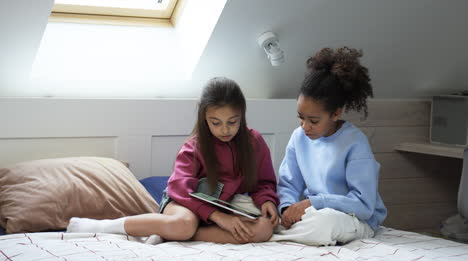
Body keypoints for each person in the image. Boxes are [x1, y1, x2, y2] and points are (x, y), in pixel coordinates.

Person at [67, 77, 279, 244]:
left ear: (242, 116)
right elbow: (180, 188)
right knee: (183, 225)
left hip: (224, 206)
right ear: (204, 119)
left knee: (264, 229)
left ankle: (172, 233)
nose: (225, 130)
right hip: (185, 202)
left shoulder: (254, 142)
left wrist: (267, 201)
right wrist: (218, 217)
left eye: (232, 122)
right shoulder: (194, 146)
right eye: (216, 123)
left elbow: (264, 182)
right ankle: (104, 226)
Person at [272, 47, 387, 246]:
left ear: (336, 113)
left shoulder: (355, 143)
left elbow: (363, 205)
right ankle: (285, 231)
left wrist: (314, 202)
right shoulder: (298, 138)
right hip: (315, 212)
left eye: (313, 121)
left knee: (323, 223)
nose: (305, 127)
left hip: (354, 219)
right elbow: (288, 185)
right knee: (265, 212)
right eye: (301, 117)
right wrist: (287, 209)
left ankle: (276, 236)